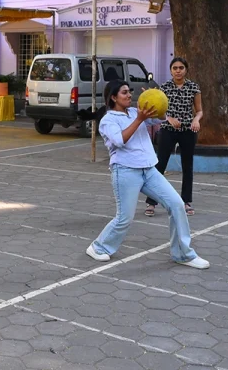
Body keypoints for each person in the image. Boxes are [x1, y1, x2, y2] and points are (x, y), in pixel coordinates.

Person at [85, 80, 209, 270]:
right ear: (113, 97)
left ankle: (183, 254)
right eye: (124, 92)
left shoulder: (135, 111)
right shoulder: (108, 120)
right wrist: (139, 119)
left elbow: (160, 117)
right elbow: (119, 140)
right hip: (125, 171)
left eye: (130, 91)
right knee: (125, 218)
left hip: (149, 170)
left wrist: (155, 99)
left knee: (176, 205)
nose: (129, 95)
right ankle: (98, 247)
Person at [145, 57, 202, 217]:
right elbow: (158, 111)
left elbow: (199, 110)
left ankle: (186, 201)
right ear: (171, 70)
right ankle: (151, 202)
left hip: (188, 130)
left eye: (181, 68)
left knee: (187, 166)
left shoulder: (193, 87)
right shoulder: (164, 88)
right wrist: (169, 118)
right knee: (160, 165)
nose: (178, 71)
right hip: (167, 130)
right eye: (175, 68)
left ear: (186, 70)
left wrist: (196, 120)